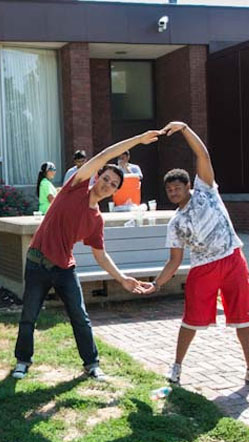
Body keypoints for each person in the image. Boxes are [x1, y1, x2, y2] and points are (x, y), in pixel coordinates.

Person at [12, 132, 158, 381]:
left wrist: (123, 279)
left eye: (113, 185)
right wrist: (138, 139)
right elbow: (105, 155)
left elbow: (100, 256)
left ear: (114, 192)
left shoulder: (96, 220)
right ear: (98, 175)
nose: (108, 185)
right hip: (37, 261)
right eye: (107, 178)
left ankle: (91, 364)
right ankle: (23, 361)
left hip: (64, 268)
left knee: (80, 316)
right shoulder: (76, 186)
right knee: (29, 314)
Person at [150, 121, 249, 390]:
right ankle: (176, 367)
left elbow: (203, 155)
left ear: (188, 185)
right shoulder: (175, 223)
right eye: (169, 190)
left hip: (232, 259)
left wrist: (183, 128)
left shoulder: (206, 190)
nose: (173, 192)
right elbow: (175, 260)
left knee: (244, 317)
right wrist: (156, 284)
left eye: (177, 187)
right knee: (191, 320)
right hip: (203, 268)